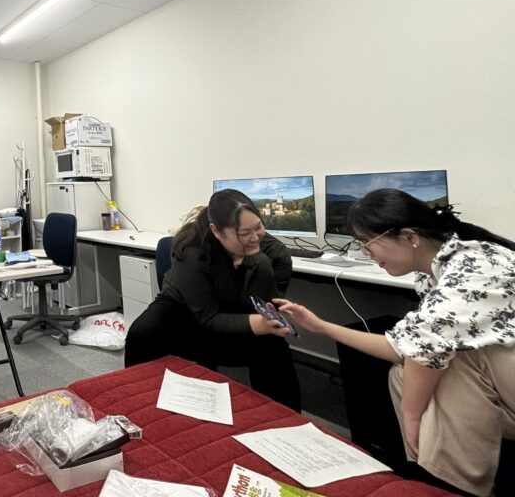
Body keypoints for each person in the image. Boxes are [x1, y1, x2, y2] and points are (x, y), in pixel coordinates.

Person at [276, 189, 515, 496]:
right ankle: (442, 477)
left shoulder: (471, 269)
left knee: (431, 371)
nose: (366, 253)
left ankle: (446, 480)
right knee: (407, 373)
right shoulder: (437, 268)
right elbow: (404, 347)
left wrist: (411, 417)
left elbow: (422, 350)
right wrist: (322, 327)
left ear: (409, 236)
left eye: (367, 242)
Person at [124, 189, 300, 410]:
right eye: (244, 233)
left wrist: (257, 263)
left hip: (236, 309)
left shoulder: (275, 254)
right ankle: (136, 406)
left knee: (273, 346)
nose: (255, 237)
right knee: (144, 332)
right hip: (186, 310)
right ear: (216, 231)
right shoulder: (192, 249)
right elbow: (209, 317)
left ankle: (288, 420)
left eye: (258, 227)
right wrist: (260, 323)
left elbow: (262, 307)